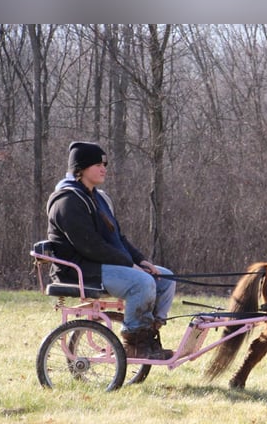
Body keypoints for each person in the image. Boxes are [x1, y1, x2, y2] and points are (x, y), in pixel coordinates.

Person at [46, 141, 175, 360]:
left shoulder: (98, 197)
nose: (104, 168)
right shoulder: (67, 201)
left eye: (104, 163)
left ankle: (148, 337)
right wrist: (129, 265)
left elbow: (118, 238)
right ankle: (134, 343)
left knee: (165, 278)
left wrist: (141, 261)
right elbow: (90, 246)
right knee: (141, 282)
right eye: (97, 163)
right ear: (80, 169)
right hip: (81, 269)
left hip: (102, 264)